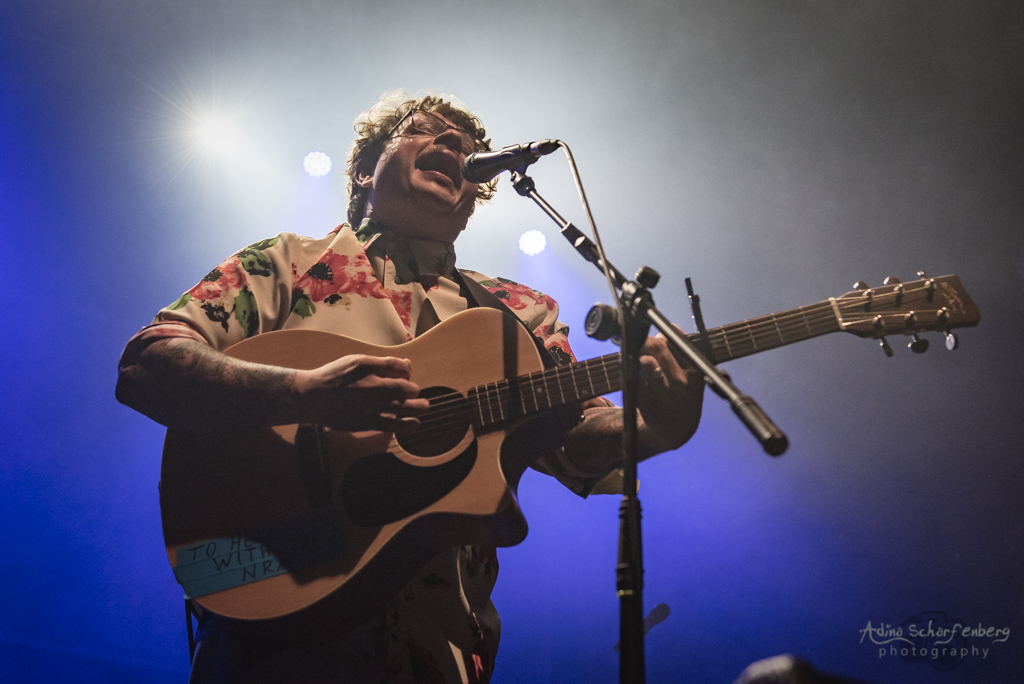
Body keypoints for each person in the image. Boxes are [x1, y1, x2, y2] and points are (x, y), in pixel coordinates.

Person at [116, 90, 704, 683]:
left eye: (467, 147)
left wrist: (657, 426)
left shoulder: (520, 313)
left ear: (473, 199)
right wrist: (303, 392)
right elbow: (147, 366)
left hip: (444, 652)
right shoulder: (288, 263)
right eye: (422, 128)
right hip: (273, 630)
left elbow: (574, 440)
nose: (452, 143)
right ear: (365, 170)